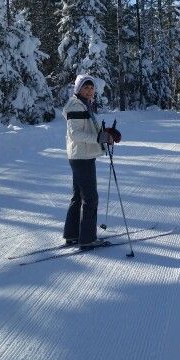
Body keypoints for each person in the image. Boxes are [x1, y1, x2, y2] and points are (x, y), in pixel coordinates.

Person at [62, 74, 113, 249]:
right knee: (90, 198)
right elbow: (75, 134)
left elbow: (87, 128)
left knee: (78, 196)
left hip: (81, 155)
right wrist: (99, 137)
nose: (89, 90)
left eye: (91, 88)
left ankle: (72, 234)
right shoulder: (76, 105)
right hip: (81, 157)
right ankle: (87, 238)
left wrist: (106, 134)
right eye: (86, 87)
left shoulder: (83, 104)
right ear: (78, 89)